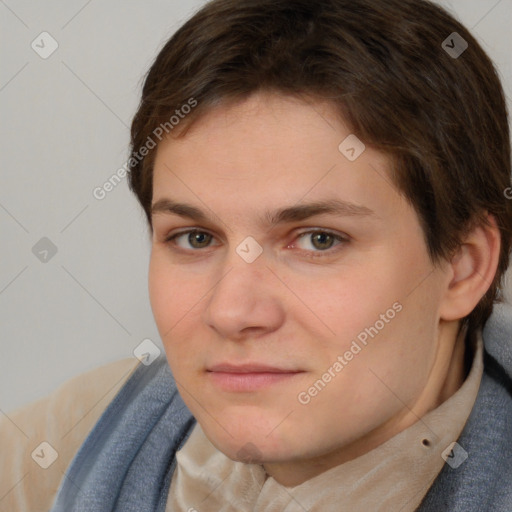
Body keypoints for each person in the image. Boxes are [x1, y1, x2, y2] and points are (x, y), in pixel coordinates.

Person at [1, 0, 511, 510]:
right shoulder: (90, 435)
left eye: (318, 240)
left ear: (463, 267)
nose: (231, 313)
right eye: (195, 238)